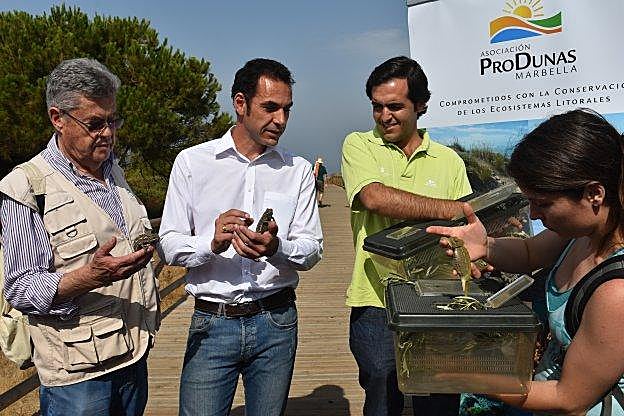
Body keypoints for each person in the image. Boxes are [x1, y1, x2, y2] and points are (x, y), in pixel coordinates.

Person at [427, 108, 624, 415]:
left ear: (594, 194)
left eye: (542, 203)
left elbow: (569, 399)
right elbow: (530, 253)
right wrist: (485, 245)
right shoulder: (581, 234)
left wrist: (466, 372)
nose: (533, 214)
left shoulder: (616, 292)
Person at [158, 58, 323, 416]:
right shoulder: (192, 162)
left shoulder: (297, 170)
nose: (280, 119)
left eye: (287, 109)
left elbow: (312, 249)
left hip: (277, 321)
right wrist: (211, 243)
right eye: (270, 107)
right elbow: (168, 243)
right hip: (212, 322)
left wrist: (277, 247)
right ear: (240, 103)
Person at [0, 58, 159, 415]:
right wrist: (91, 276)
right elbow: (21, 288)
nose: (108, 133)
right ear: (57, 118)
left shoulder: (114, 171)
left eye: (113, 121)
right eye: (95, 123)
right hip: (78, 378)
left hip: (133, 355)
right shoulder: (26, 187)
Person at [340, 56, 472, 416]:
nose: (384, 116)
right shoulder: (359, 145)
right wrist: (452, 208)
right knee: (382, 394)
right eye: (377, 107)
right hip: (375, 298)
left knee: (439, 400)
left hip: (439, 299)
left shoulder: (449, 160)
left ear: (421, 105)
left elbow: (466, 230)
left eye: (395, 106)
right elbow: (375, 198)